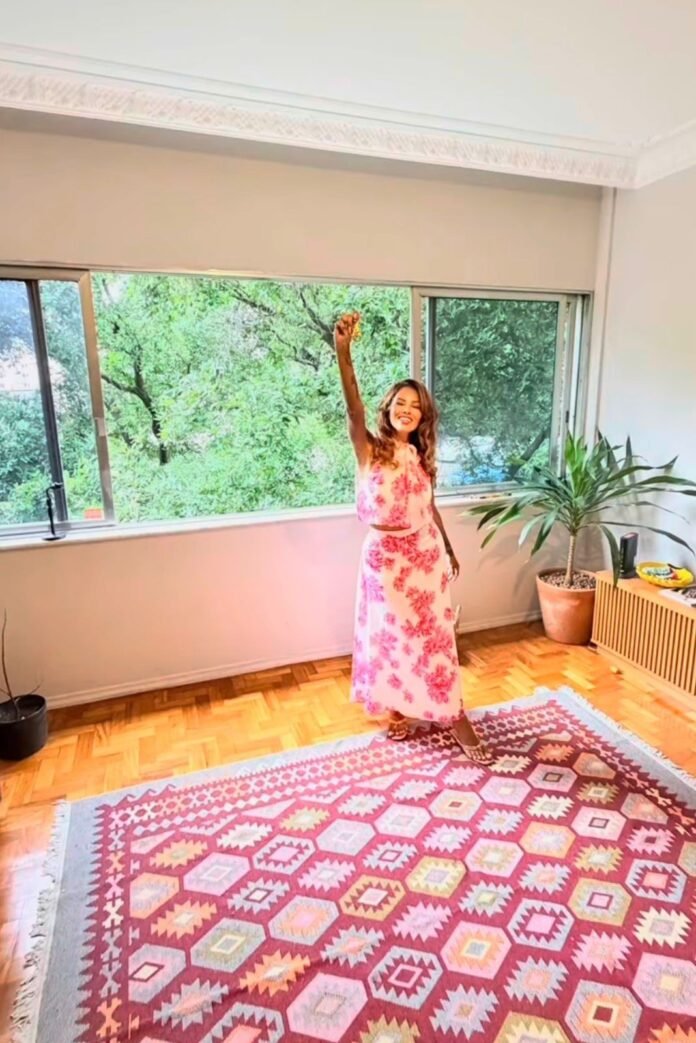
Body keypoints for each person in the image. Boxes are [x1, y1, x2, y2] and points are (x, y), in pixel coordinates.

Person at [334, 311, 491, 762]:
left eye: (415, 406)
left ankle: (453, 713)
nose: (407, 409)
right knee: (391, 634)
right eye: (400, 402)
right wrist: (343, 352)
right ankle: (396, 706)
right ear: (388, 409)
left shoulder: (420, 457)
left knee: (435, 637)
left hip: (424, 555)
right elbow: (353, 408)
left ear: (423, 416)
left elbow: (429, 506)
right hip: (384, 560)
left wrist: (449, 547)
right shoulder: (369, 449)